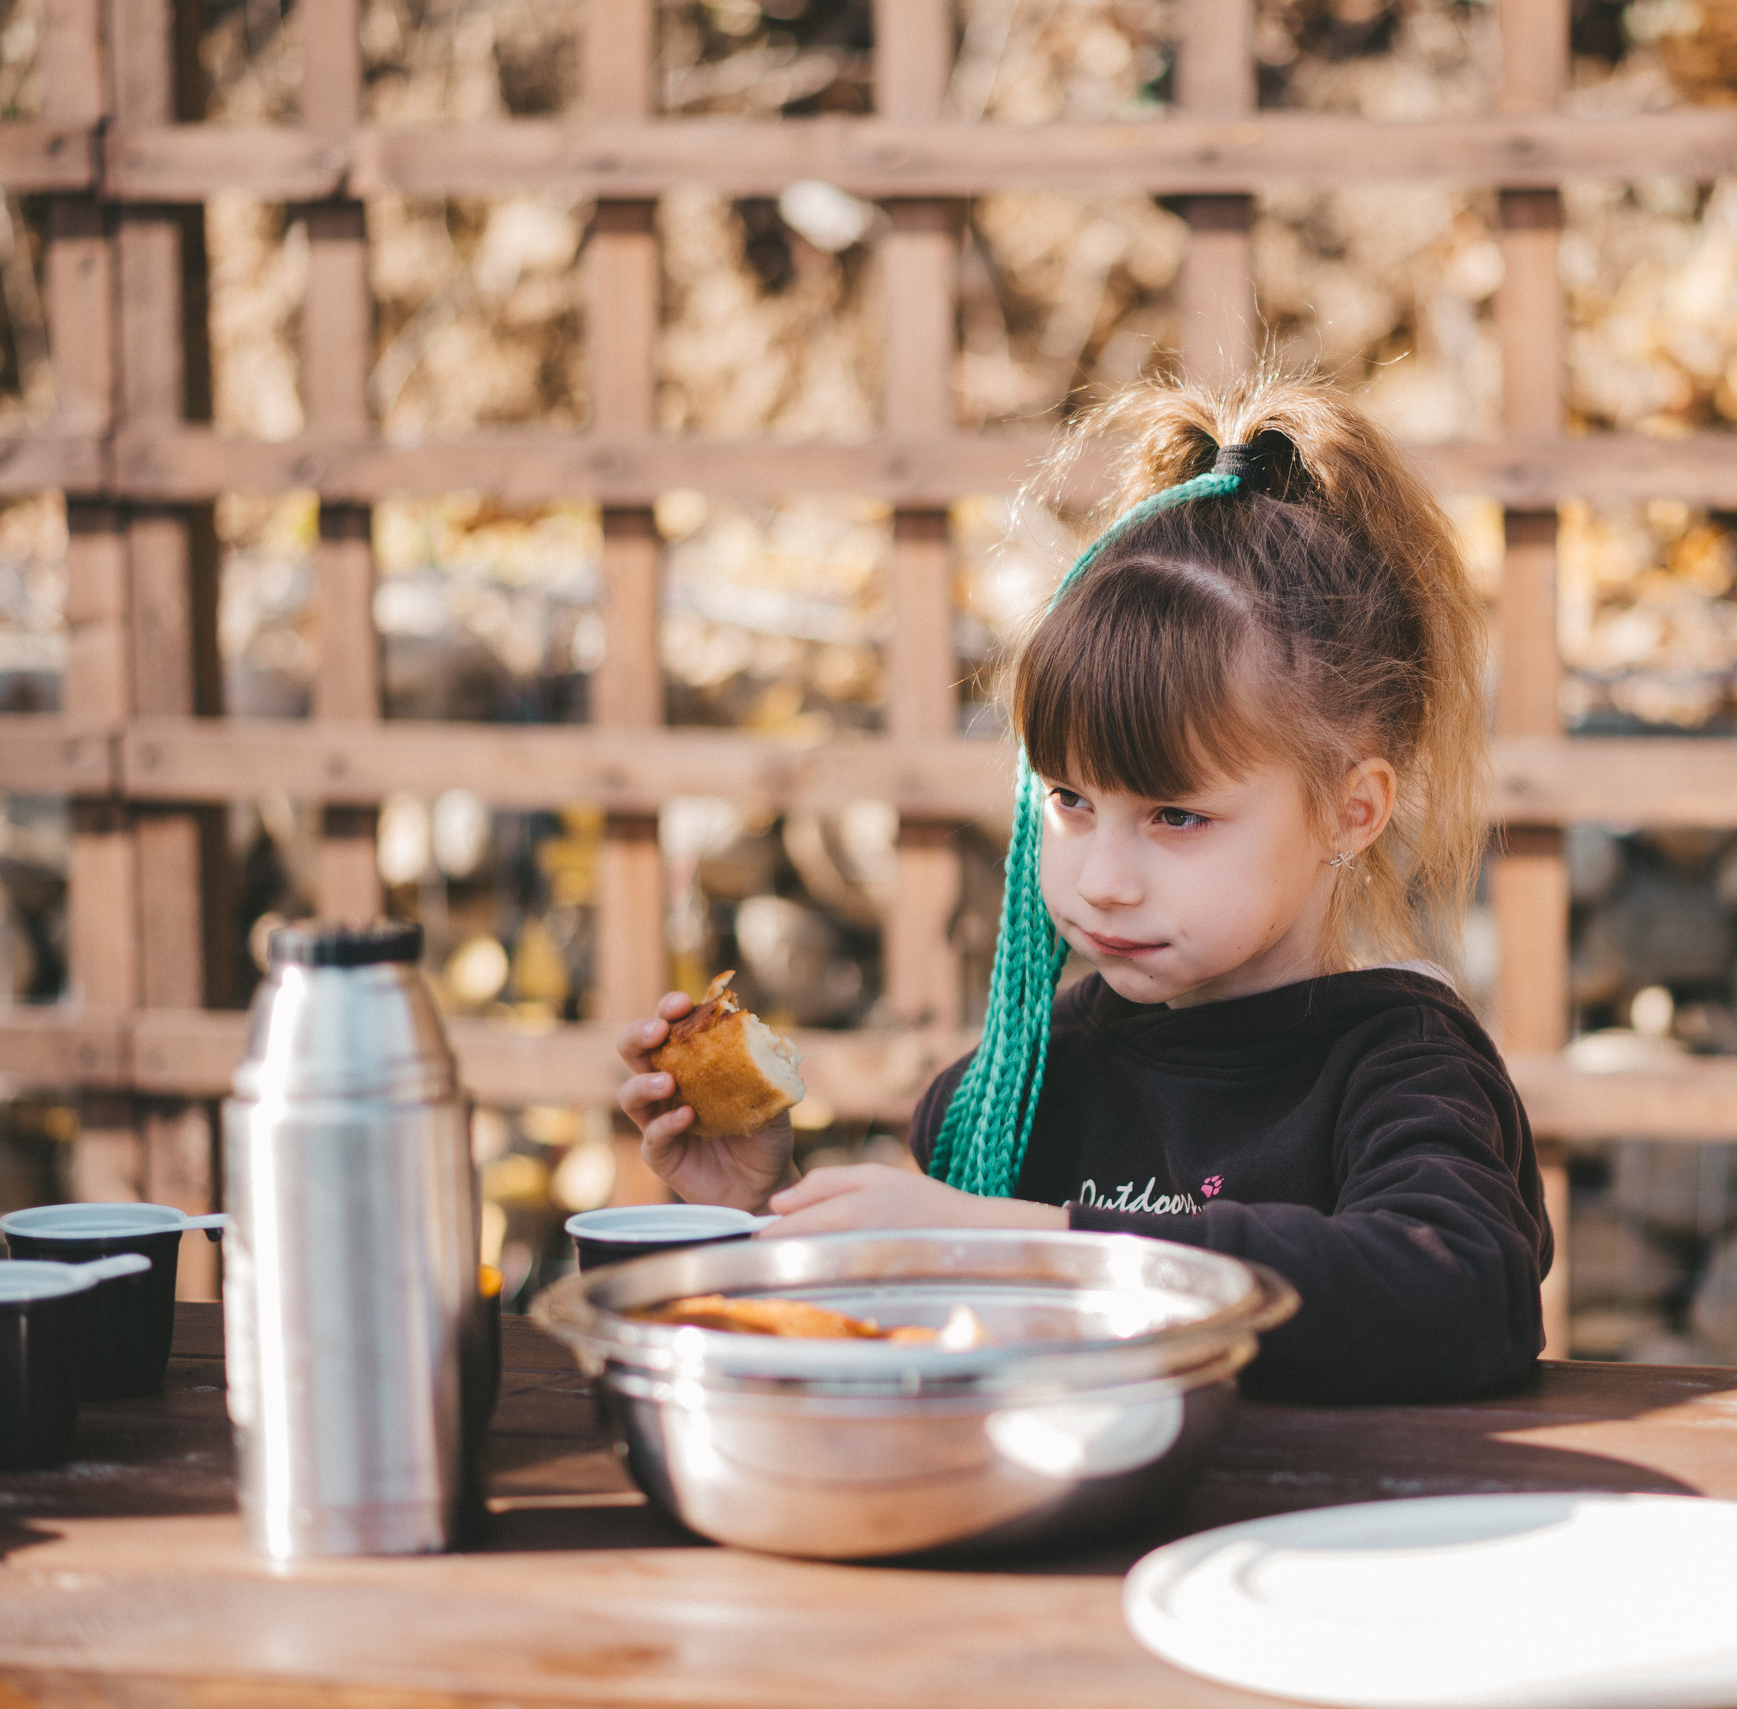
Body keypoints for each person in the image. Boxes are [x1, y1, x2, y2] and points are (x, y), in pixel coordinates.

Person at [617, 371, 1551, 1402]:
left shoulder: (1398, 1066)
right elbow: (929, 1346)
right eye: (1068, 800)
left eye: (1176, 815)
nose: (1103, 882)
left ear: (1351, 808)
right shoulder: (1023, 1085)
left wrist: (1034, 1241)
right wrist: (764, 1202)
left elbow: (1457, 1293)